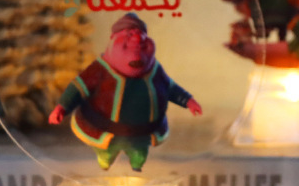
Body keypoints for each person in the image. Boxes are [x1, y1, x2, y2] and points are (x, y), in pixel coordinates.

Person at [48, 13, 201, 171]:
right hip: (105, 130)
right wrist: (62, 107)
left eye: (139, 33)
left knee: (139, 157)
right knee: (106, 155)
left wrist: (188, 101)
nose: (136, 39)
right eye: (129, 34)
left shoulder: (154, 69)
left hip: (142, 133)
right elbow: (78, 88)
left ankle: (136, 167)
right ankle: (105, 160)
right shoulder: (100, 69)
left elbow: (169, 87)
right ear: (113, 38)